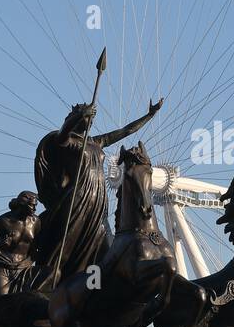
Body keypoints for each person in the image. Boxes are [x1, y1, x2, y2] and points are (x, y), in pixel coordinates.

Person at [29, 99, 162, 292]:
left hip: (98, 203)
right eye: (87, 118)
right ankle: (45, 287)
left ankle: (93, 288)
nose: (89, 121)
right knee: (65, 245)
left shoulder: (95, 142)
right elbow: (63, 132)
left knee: (102, 248)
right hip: (76, 201)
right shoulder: (65, 142)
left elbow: (125, 131)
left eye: (91, 119)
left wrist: (149, 115)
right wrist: (80, 114)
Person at [0, 191, 39, 298]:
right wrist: (1, 242)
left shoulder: (35, 222)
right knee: (2, 301)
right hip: (2, 265)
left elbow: (38, 243)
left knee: (21, 302)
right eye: (32, 206)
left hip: (23, 267)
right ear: (22, 204)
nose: (34, 210)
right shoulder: (3, 221)